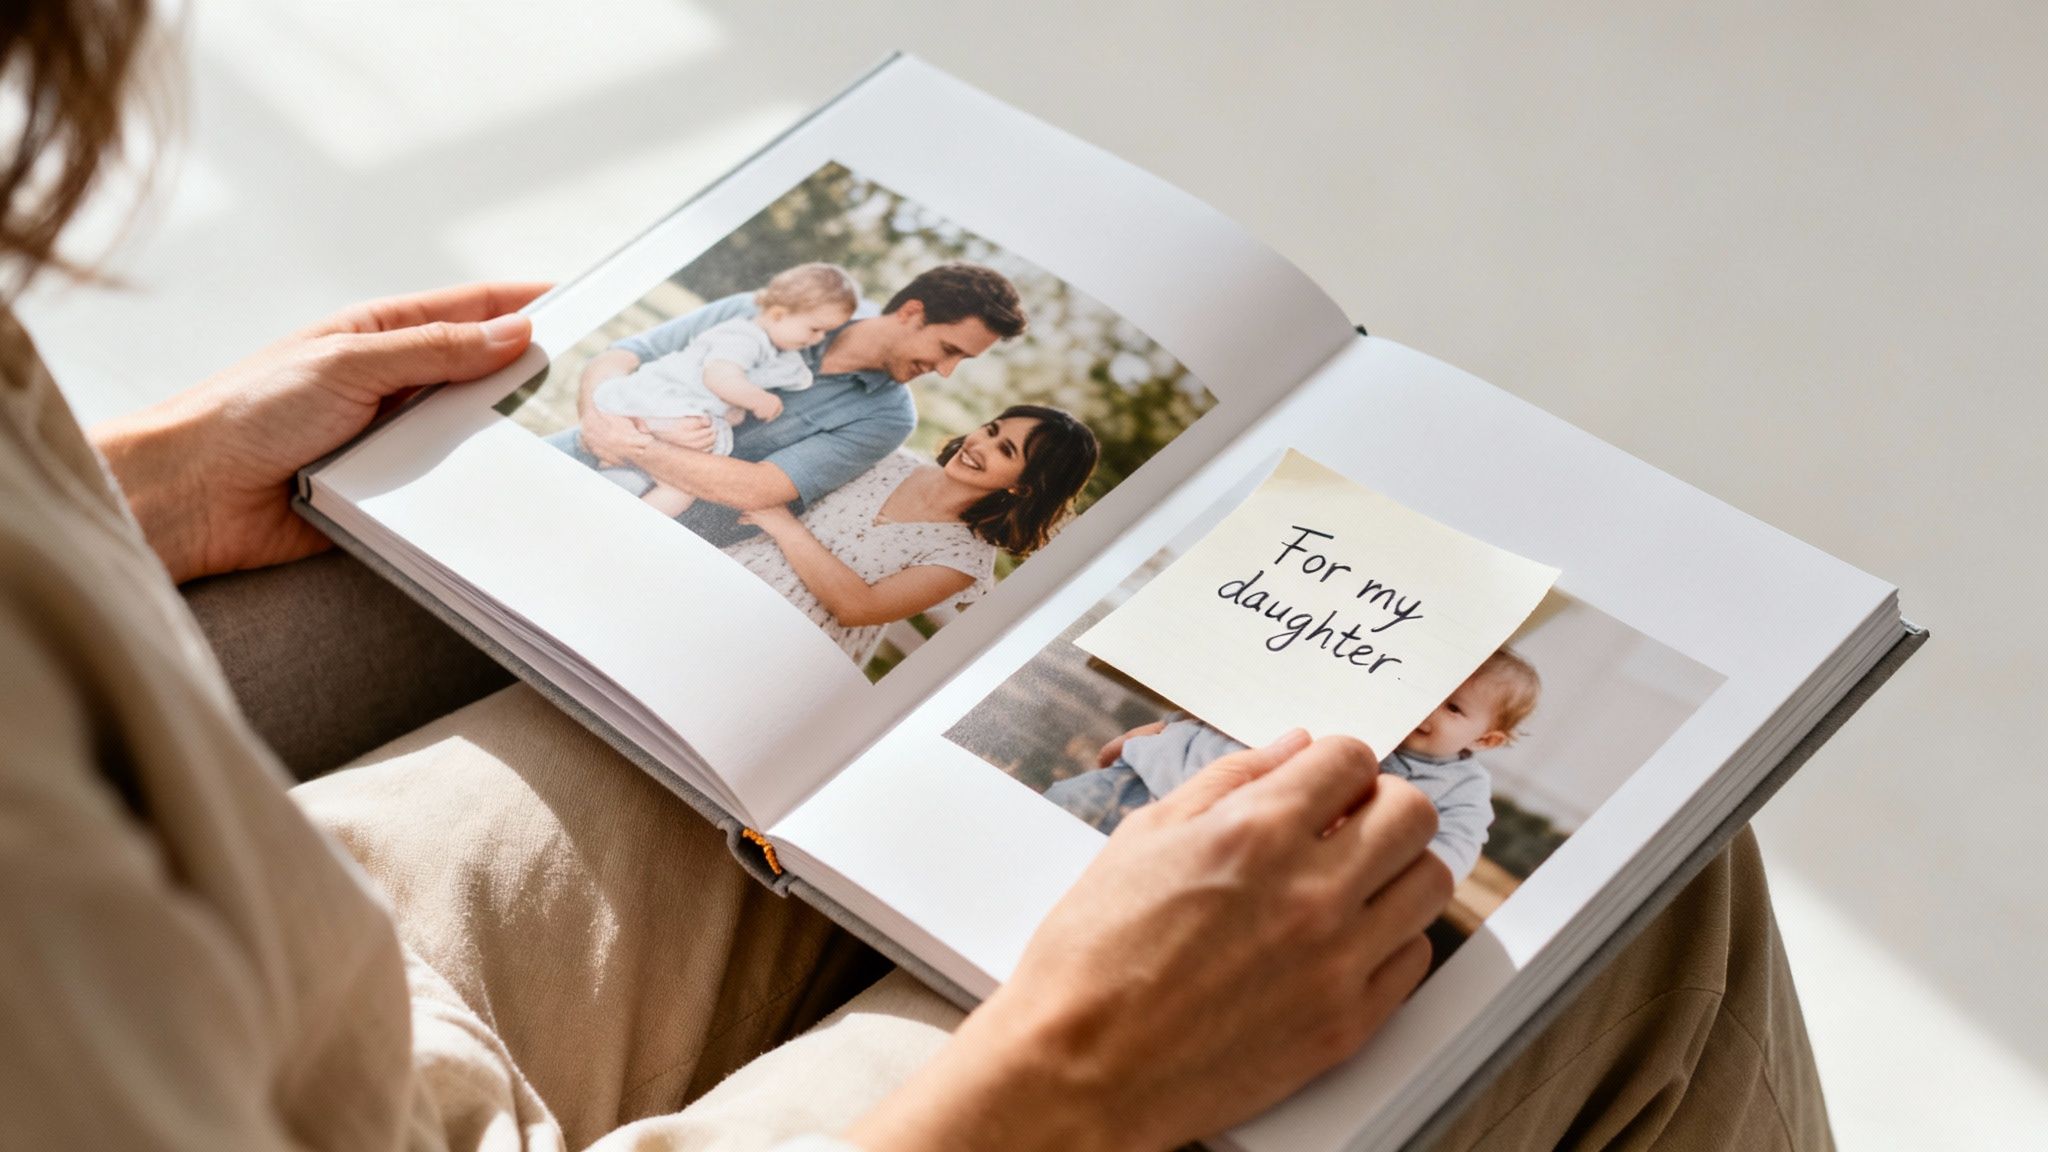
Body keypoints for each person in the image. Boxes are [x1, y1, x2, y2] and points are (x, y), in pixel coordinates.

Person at [0, 6, 1838, 1149]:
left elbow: (792, 524)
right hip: (270, 1057)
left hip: (236, 945)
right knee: (1629, 923)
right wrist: (1065, 1081)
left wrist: (111, 478)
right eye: (963, 392)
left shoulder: (876, 443)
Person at [553, 261, 1027, 548]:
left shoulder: (887, 417)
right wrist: (597, 419)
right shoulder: (782, 307)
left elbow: (757, 488)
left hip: (650, 523)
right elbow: (624, 355)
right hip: (573, 453)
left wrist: (632, 442)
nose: (946, 371)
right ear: (911, 313)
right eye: (948, 350)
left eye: (962, 360)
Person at [1047, 649, 1539, 879]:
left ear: (1487, 738)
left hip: (1227, 850)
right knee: (1052, 826)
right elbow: (1246, 706)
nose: (1427, 708)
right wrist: (1166, 727)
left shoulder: (1460, 786)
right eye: (1426, 690)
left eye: (1453, 708)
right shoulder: (1359, 698)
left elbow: (1452, 852)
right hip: (1143, 781)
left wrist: (1384, 861)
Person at [730, 405, 1098, 666]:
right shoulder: (886, 459)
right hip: (732, 583)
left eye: (1005, 451)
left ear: (1023, 486)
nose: (979, 445)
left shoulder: (963, 560)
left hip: (793, 651)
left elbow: (858, 608)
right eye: (991, 430)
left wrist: (786, 528)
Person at [588, 262, 859, 516]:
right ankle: (630, 520)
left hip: (664, 407)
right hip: (665, 403)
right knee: (681, 489)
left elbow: (723, 395)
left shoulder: (763, 345)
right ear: (778, 314)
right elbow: (718, 378)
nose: (818, 339)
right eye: (815, 329)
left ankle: (616, 478)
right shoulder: (743, 339)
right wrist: (757, 399)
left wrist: (733, 411)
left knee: (670, 473)